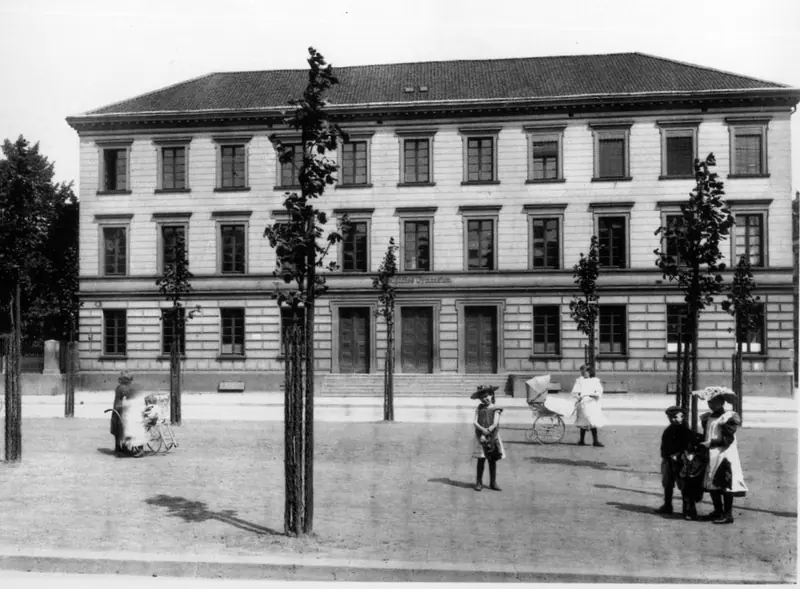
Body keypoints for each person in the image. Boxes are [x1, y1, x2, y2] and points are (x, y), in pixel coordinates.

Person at [695, 386, 748, 524]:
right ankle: (717, 510)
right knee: (712, 481)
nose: (710, 405)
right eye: (709, 402)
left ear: (722, 402)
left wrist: (710, 443)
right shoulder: (708, 417)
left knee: (725, 481)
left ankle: (728, 514)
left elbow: (727, 439)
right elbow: (708, 433)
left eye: (713, 402)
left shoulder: (728, 417)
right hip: (712, 453)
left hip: (725, 453)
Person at [655, 406, 694, 516]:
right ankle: (667, 505)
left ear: (682, 417)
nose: (672, 419)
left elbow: (689, 445)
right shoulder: (669, 429)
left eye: (675, 417)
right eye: (670, 417)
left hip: (680, 462)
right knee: (667, 483)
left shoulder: (685, 430)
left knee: (683, 485)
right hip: (668, 461)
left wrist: (679, 454)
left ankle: (687, 510)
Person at [471, 385, 505, 492]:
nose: (484, 399)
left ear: (491, 395)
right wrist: (482, 431)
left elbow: (495, 423)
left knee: (492, 459)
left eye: (486, 396)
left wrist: (488, 431)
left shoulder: (495, 408)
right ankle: (479, 482)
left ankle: (493, 482)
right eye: (481, 398)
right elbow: (475, 422)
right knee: (481, 459)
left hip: (492, 437)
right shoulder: (479, 408)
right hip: (481, 436)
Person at [571, 364, 606, 447]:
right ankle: (581, 440)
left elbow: (599, 391)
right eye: (582, 372)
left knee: (592, 421)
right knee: (583, 421)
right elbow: (574, 392)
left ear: (589, 372)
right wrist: (578, 396)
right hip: (583, 403)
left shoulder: (595, 381)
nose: (583, 374)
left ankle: (595, 441)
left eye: (584, 372)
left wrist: (594, 395)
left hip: (592, 403)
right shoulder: (579, 380)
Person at [111, 371, 133, 453]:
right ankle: (125, 447)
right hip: (122, 410)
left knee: (118, 429)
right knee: (125, 429)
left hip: (116, 408)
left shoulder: (118, 387)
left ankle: (117, 447)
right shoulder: (124, 388)